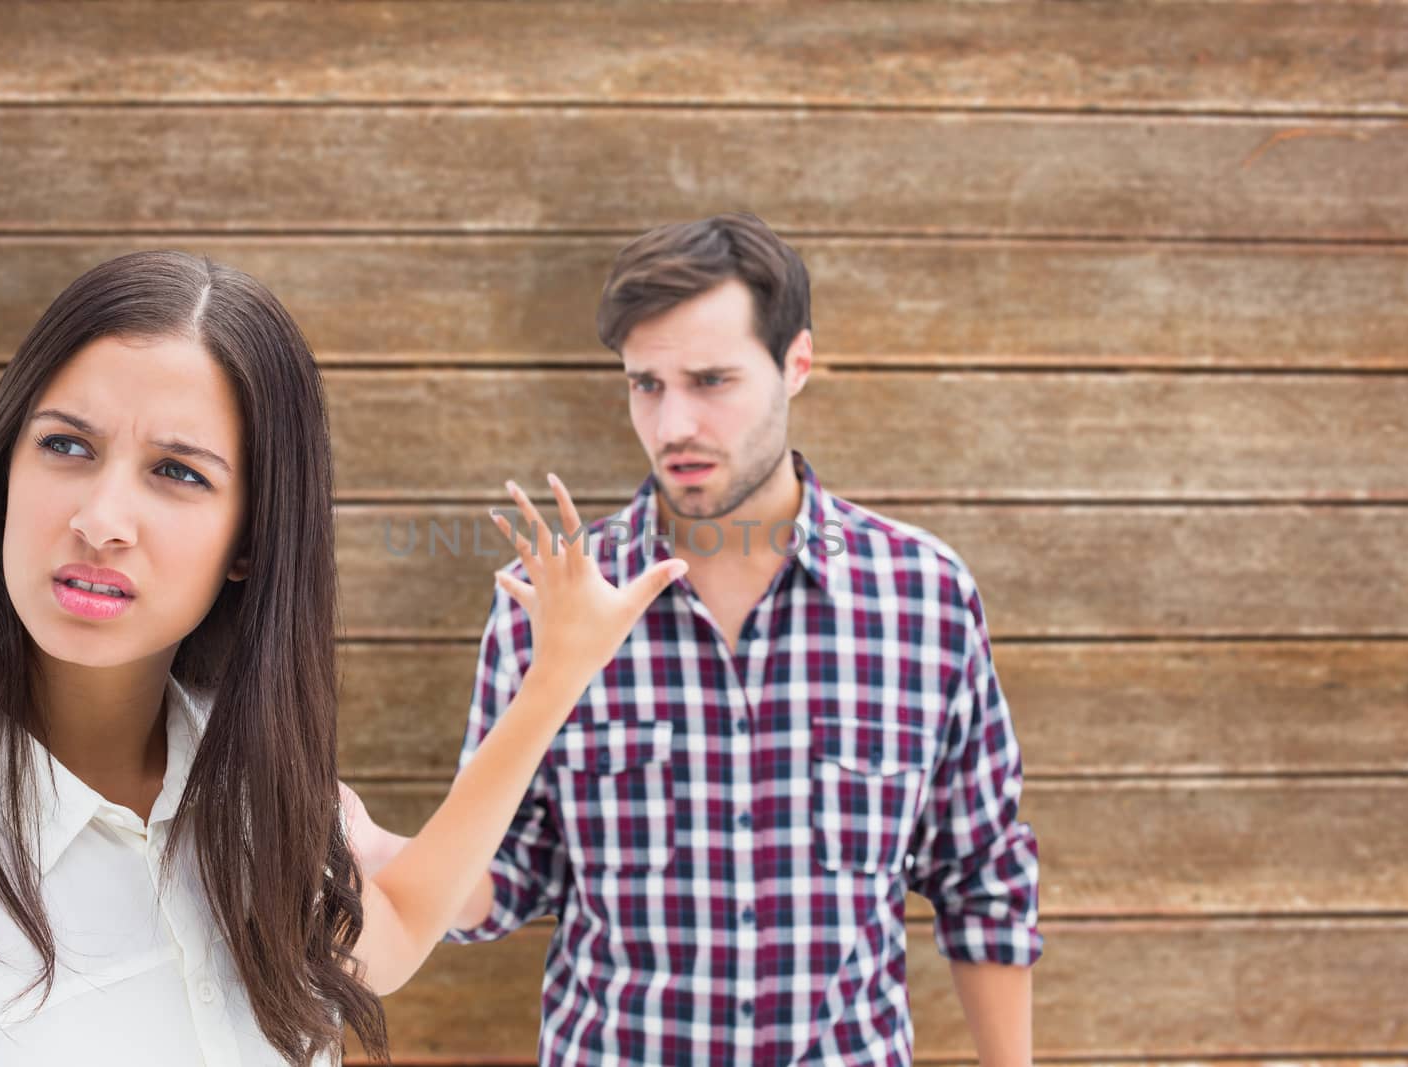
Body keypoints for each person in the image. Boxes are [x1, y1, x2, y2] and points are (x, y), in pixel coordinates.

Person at [0, 250, 686, 1066]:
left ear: (252, 540)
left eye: (178, 472)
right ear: (4, 471)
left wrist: (557, 676)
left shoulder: (260, 799)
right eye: (67, 446)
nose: (101, 518)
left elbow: (401, 926)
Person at [345, 213, 1044, 1065]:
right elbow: (509, 879)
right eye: (646, 384)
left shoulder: (922, 596)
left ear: (797, 365)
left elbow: (984, 879)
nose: (674, 421)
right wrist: (383, 852)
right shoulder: (555, 603)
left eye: (712, 380)